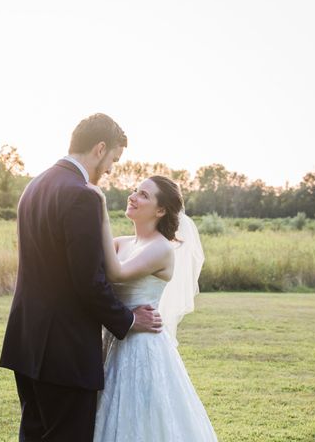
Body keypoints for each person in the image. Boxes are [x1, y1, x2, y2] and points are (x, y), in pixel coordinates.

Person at [0, 114, 162, 441]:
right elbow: (88, 281)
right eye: (114, 160)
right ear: (100, 148)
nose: (111, 170)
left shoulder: (35, 185)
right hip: (64, 352)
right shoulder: (82, 195)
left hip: (26, 343)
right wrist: (128, 320)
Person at [88, 175, 218, 442]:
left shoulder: (161, 249)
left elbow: (117, 271)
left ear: (160, 210)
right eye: (136, 191)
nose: (133, 196)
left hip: (142, 349)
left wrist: (101, 210)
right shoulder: (122, 243)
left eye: (144, 195)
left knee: (141, 420)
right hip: (113, 342)